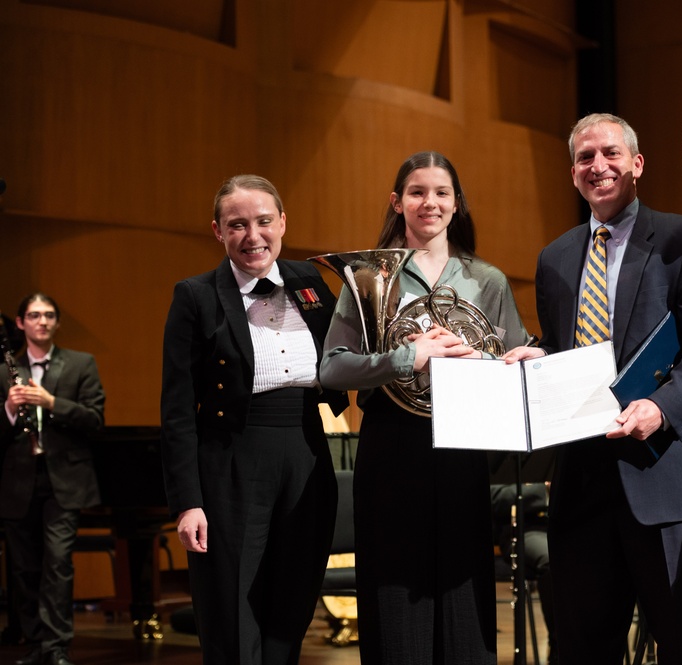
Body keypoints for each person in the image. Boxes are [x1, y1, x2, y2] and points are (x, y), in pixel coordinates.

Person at [503, 113, 682, 664]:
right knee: (583, 648)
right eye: (585, 158)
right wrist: (540, 356)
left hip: (664, 478)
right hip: (582, 483)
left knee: (679, 644)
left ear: (636, 165)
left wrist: (663, 406)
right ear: (573, 173)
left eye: (609, 153)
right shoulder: (554, 257)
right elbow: (569, 346)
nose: (597, 166)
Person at [319, 150, 530, 665]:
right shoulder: (368, 275)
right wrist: (408, 356)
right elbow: (332, 369)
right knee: (395, 603)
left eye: (441, 193)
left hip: (462, 447)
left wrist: (491, 358)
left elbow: (513, 365)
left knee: (464, 601)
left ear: (457, 204)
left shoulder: (488, 280)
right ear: (397, 203)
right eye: (416, 192)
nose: (429, 202)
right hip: (393, 447)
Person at [160, 174, 346, 665]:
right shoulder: (196, 296)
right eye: (237, 224)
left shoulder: (310, 282)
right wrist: (187, 503)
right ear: (217, 232)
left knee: (293, 601)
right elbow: (177, 409)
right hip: (231, 462)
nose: (253, 236)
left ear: (282, 222)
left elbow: (346, 358)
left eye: (264, 221)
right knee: (231, 607)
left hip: (307, 452)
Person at [1, 293, 105, 665]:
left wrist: (51, 403)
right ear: (20, 323)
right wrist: (9, 410)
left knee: (58, 563)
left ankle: (57, 648)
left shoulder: (81, 363)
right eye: (33, 315)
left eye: (48, 316)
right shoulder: (3, 370)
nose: (41, 322)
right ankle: (36, 645)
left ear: (56, 323)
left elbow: (95, 419)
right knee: (25, 568)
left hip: (65, 481)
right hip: (18, 483)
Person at [490, 483, 557, 664]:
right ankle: (559, 644)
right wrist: (543, 490)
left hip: (564, 522)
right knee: (554, 560)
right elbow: (493, 494)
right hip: (524, 528)